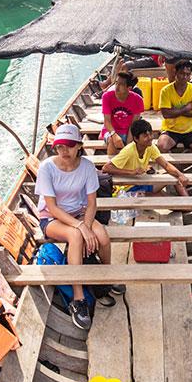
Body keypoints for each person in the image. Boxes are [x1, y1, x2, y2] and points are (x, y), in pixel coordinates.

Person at [36, 123, 121, 330]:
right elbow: (52, 208)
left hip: (80, 213)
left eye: (69, 145)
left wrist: (87, 226)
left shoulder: (87, 167)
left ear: (79, 146)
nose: (64, 151)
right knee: (75, 236)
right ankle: (78, 298)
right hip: (52, 218)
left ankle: (105, 278)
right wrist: (82, 228)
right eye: (60, 146)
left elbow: (92, 203)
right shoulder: (47, 168)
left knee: (103, 238)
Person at [101, 119, 190, 195]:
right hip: (127, 188)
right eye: (145, 136)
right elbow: (106, 168)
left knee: (175, 175)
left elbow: (165, 165)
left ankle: (187, 201)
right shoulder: (129, 150)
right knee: (161, 199)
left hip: (142, 182)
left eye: (150, 134)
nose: (150, 138)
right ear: (136, 139)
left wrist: (180, 175)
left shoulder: (150, 147)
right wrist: (132, 172)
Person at [158, 59, 192, 153]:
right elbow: (166, 114)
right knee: (162, 146)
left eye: (187, 74)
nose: (184, 77)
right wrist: (186, 108)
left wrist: (174, 110)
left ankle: (187, 152)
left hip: (191, 130)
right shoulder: (166, 91)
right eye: (181, 73)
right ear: (175, 73)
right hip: (171, 129)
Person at [101, 71, 145, 155]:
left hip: (129, 131)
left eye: (121, 84)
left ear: (129, 88)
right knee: (112, 140)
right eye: (116, 83)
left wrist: (128, 144)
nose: (116, 87)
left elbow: (133, 124)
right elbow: (107, 121)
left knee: (142, 141)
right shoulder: (107, 96)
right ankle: (112, 162)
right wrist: (114, 135)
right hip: (112, 130)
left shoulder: (138, 100)